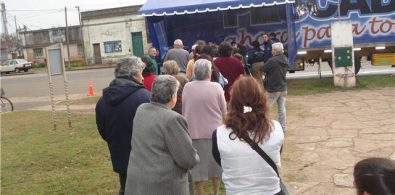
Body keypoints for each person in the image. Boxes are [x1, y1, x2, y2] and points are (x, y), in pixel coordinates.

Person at [125, 75, 200, 195]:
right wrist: (195, 156)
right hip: (163, 185)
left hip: (139, 180)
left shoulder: (141, 109)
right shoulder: (172, 119)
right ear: (172, 96)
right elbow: (187, 159)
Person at [212, 76, 285, 195]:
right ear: (261, 99)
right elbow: (277, 152)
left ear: (233, 101)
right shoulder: (276, 128)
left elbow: (220, 160)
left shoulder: (219, 134)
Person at [95, 57, 151, 195]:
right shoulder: (145, 97)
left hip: (120, 154)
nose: (143, 78)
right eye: (141, 73)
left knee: (126, 188)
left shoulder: (103, 101)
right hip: (145, 157)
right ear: (133, 75)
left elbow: (103, 130)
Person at [182, 59, 226, 195]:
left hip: (194, 131)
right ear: (209, 72)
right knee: (216, 165)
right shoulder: (217, 87)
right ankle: (216, 191)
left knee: (198, 167)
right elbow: (224, 111)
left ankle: (200, 192)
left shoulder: (187, 87)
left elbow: (185, 108)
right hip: (215, 132)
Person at [262, 42, 288, 131]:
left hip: (273, 88)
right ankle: (282, 127)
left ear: (275, 51)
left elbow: (264, 69)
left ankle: (264, 126)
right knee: (282, 109)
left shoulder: (272, 60)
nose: (271, 51)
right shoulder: (285, 59)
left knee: (266, 109)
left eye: (272, 49)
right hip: (283, 87)